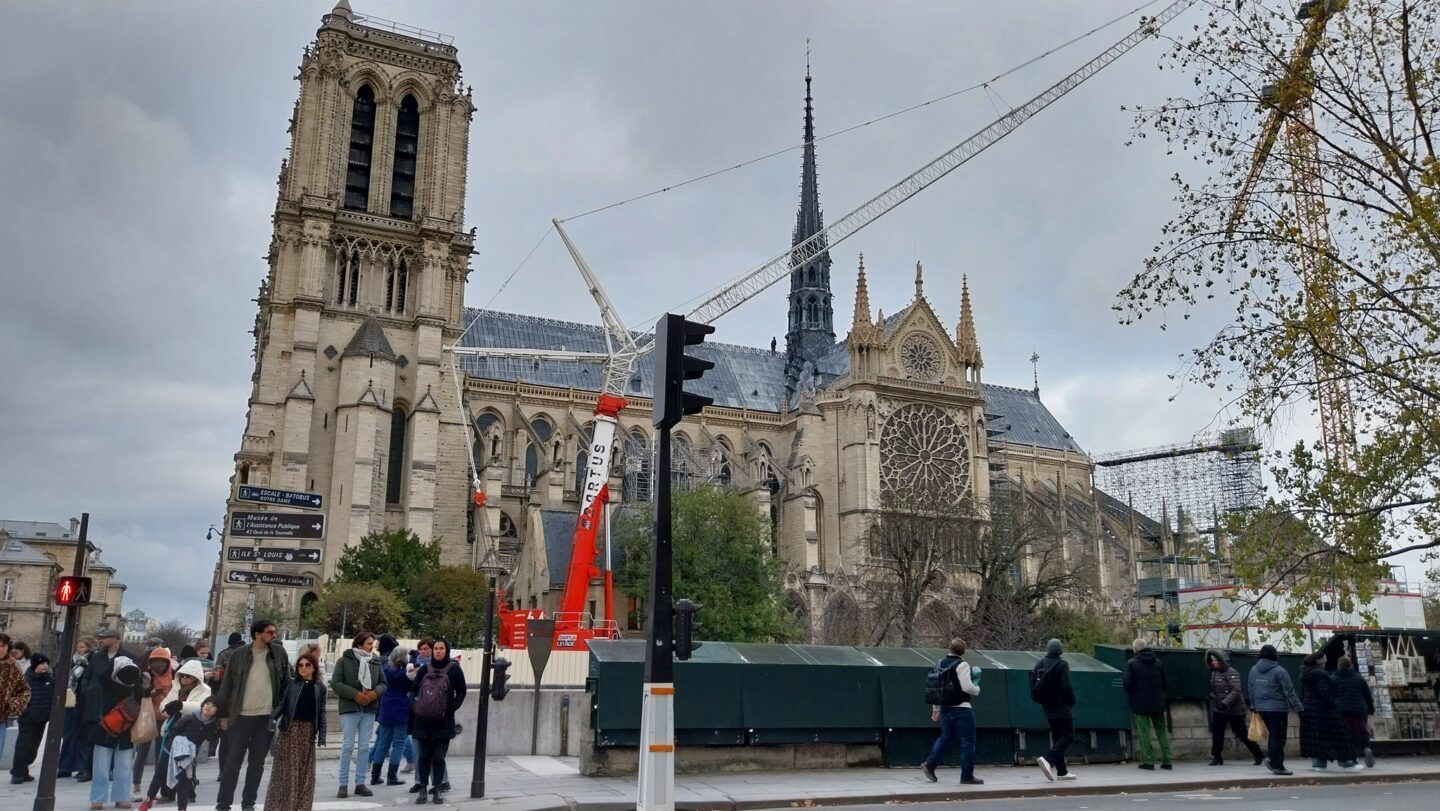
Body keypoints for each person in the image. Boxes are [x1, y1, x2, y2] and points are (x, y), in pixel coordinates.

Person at [214, 619, 290, 811]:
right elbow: (227, 686)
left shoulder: (279, 653)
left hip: (266, 718)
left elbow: (287, 684)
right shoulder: (238, 654)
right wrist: (223, 715)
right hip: (240, 717)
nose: (274, 635)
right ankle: (223, 804)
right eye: (270, 632)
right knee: (232, 763)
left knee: (257, 765)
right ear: (257, 634)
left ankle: (248, 803)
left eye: (274, 632)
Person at [264, 650, 327, 811]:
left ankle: (301, 806)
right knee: (286, 770)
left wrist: (322, 736)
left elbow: (322, 712)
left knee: (305, 771)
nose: (303, 668)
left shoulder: (320, 687)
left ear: (314, 667)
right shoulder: (291, 685)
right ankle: (281, 806)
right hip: (290, 730)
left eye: (307, 665)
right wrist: (272, 717)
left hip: (308, 732)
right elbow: (282, 704)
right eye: (300, 665)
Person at [409, 637, 467, 804]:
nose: (438, 651)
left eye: (441, 649)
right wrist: (417, 706)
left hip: (443, 721)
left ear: (446, 651)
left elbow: (462, 691)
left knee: (439, 757)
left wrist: (452, 707)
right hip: (423, 720)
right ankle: (422, 789)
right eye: (436, 649)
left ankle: (438, 789)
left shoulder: (454, 669)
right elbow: (413, 690)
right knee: (423, 757)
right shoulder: (424, 669)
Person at [136, 696, 219, 811]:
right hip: (171, 750)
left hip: (187, 756)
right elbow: (174, 730)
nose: (209, 707)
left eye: (213, 706)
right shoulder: (190, 717)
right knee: (159, 775)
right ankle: (149, 799)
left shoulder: (211, 725)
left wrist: (219, 729)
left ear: (216, 711)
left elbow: (211, 738)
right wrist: (179, 744)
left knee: (183, 781)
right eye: (207, 704)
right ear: (202, 705)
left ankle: (182, 808)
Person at [920, 638, 983, 786]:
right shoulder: (962, 664)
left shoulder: (939, 664)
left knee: (945, 738)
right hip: (962, 708)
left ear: (949, 648)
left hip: (945, 708)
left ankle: (930, 764)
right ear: (963, 651)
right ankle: (966, 776)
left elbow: (936, 687)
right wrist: (977, 688)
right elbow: (967, 687)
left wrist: (936, 709)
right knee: (967, 742)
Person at [79, 628, 133, 791]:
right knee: (93, 738)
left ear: (115, 639)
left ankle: (111, 770)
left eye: (104, 638)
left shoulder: (128, 657)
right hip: (95, 703)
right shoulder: (97, 657)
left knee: (115, 740)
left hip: (117, 708)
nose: (101, 640)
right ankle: (88, 769)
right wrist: (87, 690)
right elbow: (87, 676)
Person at [332, 631, 384, 798]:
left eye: (373, 644)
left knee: (364, 747)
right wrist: (355, 695)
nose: (372, 647)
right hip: (350, 708)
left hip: (369, 709)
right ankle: (343, 784)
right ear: (359, 644)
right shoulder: (344, 660)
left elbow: (383, 683)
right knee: (347, 746)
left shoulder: (375, 661)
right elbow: (336, 683)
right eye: (369, 644)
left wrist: (374, 694)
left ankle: (360, 783)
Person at [90, 653, 144, 811]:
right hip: (106, 725)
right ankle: (97, 798)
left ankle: (121, 797)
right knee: (101, 766)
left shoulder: (135, 684)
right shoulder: (107, 680)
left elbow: (142, 697)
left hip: (126, 728)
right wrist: (116, 662)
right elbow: (102, 675)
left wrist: (142, 683)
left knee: (124, 765)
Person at [1247, 644, 1303, 775]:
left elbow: (1251, 689)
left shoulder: (1253, 670)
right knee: (1278, 737)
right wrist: (1299, 708)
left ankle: (1272, 759)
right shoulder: (1280, 671)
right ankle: (1277, 764)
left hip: (1261, 708)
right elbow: (1289, 691)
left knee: (1273, 736)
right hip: (1278, 709)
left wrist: (1254, 706)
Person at [1204, 649, 1263, 766]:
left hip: (1234, 709)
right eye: (1212, 660)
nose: (1214, 662)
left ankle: (1257, 754)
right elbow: (1215, 689)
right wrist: (1213, 697)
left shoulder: (1232, 672)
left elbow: (1236, 690)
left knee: (1241, 733)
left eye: (1216, 660)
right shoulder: (1214, 672)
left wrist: (1225, 702)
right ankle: (1217, 757)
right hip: (1219, 708)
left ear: (1222, 660)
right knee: (1217, 733)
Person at [1031, 638, 1077, 782]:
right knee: (1068, 735)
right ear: (1060, 651)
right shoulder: (1062, 665)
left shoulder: (1039, 664)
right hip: (1062, 706)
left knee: (1057, 737)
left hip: (1047, 706)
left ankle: (1062, 771)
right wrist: (1071, 701)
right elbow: (1067, 687)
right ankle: (1048, 759)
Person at [132, 647, 175, 801]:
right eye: (155, 664)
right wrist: (149, 692)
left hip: (166, 718)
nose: (158, 667)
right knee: (141, 753)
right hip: (148, 716)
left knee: (161, 755)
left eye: (162, 664)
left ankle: (157, 787)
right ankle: (136, 788)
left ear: (167, 663)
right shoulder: (146, 675)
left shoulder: (174, 675)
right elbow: (138, 694)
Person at [1123, 638, 1172, 771]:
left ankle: (1148, 761)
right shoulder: (1158, 662)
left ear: (1135, 649)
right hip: (1158, 702)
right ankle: (1167, 760)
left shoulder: (1132, 664)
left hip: (1140, 703)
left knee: (1144, 733)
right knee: (1162, 732)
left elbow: (1127, 684)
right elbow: (1165, 683)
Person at [371, 643, 411, 787]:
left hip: (386, 707)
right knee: (399, 744)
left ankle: (375, 776)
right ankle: (392, 776)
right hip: (401, 708)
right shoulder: (406, 672)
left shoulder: (385, 669)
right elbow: (409, 687)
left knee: (382, 743)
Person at [10, 652, 52, 783]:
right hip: (27, 719)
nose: (45, 666)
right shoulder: (26, 680)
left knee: (33, 747)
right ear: (35, 665)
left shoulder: (50, 679)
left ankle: (24, 770)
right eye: (42, 663)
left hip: (41, 720)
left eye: (46, 663)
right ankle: (17, 772)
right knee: (24, 746)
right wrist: (25, 712)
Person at [1298, 652, 1344, 771]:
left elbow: (1302, 693)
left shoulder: (1304, 674)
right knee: (1325, 736)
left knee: (1313, 737)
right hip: (1321, 709)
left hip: (1308, 707)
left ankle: (1317, 763)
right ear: (1321, 662)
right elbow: (1323, 692)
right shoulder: (1321, 675)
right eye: (1324, 660)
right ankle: (1328, 762)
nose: (1326, 662)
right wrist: (1332, 704)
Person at [60, 635, 97, 778]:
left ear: (89, 648)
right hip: (70, 701)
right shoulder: (72, 660)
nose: (79, 649)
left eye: (82, 647)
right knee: (68, 734)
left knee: (82, 735)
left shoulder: (92, 661)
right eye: (78, 646)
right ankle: (65, 766)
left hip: (83, 702)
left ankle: (82, 766)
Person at [1332, 655, 1376, 769]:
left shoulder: (1334, 678)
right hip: (1359, 709)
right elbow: (1367, 695)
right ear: (1350, 665)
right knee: (1363, 731)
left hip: (1342, 711)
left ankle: (1353, 758)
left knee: (1348, 735)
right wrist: (1370, 709)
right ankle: (1367, 748)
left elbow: (1331, 695)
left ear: (1338, 665)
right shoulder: (1358, 678)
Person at [0, 634, 31, 773]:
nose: (0, 649)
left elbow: (24, 690)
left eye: (3, 646)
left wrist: (14, 703)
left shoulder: (14, 665)